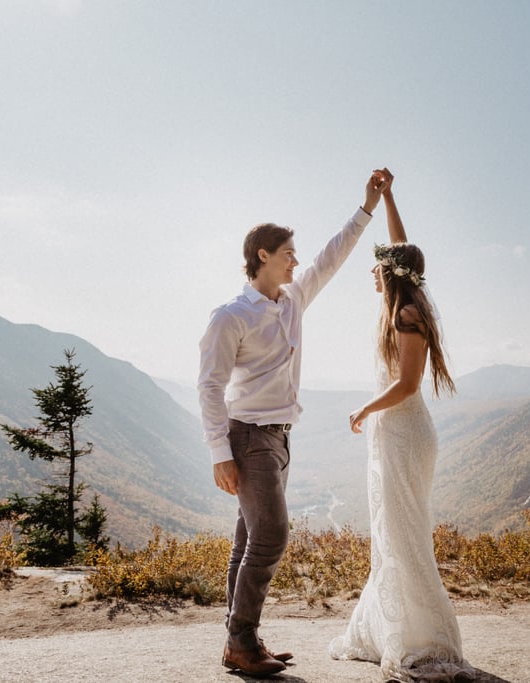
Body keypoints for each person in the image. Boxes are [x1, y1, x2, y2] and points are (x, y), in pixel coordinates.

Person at [197, 170, 388, 677]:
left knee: (247, 541)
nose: (297, 261)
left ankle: (242, 640)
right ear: (263, 255)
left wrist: (366, 208)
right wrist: (220, 452)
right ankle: (240, 642)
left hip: (280, 439)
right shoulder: (231, 316)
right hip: (248, 437)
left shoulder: (294, 300)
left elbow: (332, 254)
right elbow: (210, 386)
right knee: (272, 538)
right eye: (288, 253)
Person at [329, 170, 475, 682]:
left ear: (390, 273)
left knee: (404, 534)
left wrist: (364, 409)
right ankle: (394, 626)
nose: (372, 273)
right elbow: (400, 247)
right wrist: (388, 196)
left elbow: (409, 384)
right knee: (393, 533)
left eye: (378, 267)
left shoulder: (405, 316)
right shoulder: (405, 300)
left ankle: (421, 637)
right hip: (397, 437)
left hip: (403, 433)